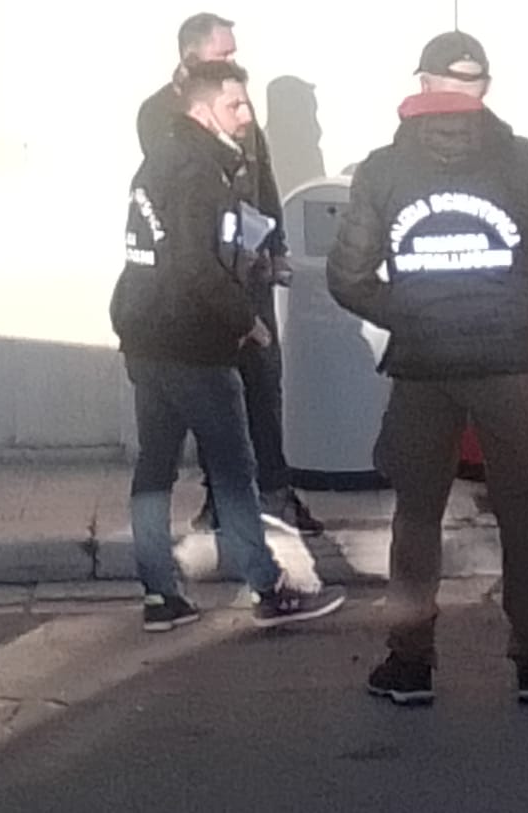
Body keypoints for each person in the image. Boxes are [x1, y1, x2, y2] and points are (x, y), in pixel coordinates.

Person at [327, 30, 528, 705]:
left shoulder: (381, 170)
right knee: (523, 515)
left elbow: (346, 277)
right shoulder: (526, 163)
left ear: (424, 84)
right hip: (510, 362)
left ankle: (410, 667)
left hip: (423, 367)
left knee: (416, 518)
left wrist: (409, 312)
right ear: (483, 89)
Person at [111, 59, 345, 632]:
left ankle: (159, 595)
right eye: (234, 105)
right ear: (201, 108)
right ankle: (269, 589)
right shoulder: (199, 172)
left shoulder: (157, 162)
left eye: (246, 104)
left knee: (155, 468)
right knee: (235, 469)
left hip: (145, 337)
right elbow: (196, 266)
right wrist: (247, 321)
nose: (246, 117)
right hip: (192, 342)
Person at [138, 12, 323, 537]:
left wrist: (277, 246)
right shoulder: (161, 115)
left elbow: (263, 181)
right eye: (224, 53)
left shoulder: (238, 107)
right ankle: (220, 498)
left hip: (252, 271)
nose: (234, 61)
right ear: (191, 57)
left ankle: (276, 491)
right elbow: (185, 203)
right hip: (208, 276)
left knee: (264, 384)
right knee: (215, 391)